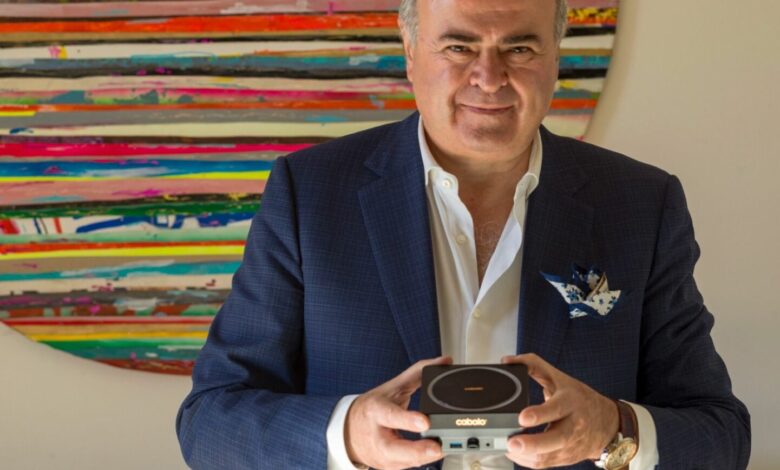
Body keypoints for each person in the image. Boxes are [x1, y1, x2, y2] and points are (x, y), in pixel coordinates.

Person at [176, 0, 751, 468]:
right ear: (410, 52)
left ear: (555, 57)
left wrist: (613, 430)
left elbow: (720, 433)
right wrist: (346, 435)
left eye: (519, 48)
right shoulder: (309, 193)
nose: (489, 77)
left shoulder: (642, 203)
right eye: (458, 46)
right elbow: (211, 420)